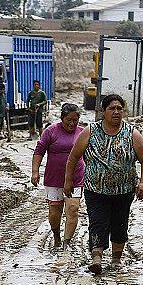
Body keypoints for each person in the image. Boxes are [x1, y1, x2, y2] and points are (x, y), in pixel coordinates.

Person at [64, 94, 143, 275]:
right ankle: (96, 257)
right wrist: (68, 180)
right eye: (112, 108)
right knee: (98, 222)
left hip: (123, 190)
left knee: (120, 223)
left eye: (120, 108)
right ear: (103, 111)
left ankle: (116, 259)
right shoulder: (90, 131)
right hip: (95, 189)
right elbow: (74, 156)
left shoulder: (131, 133)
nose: (116, 112)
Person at [32, 103, 85, 250]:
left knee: (73, 209)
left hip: (76, 178)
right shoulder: (51, 131)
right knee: (55, 211)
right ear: (62, 118)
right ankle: (56, 236)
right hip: (54, 178)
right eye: (68, 119)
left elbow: (89, 156)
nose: (72, 123)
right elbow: (39, 151)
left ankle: (66, 243)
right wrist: (35, 171)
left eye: (75, 120)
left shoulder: (82, 133)